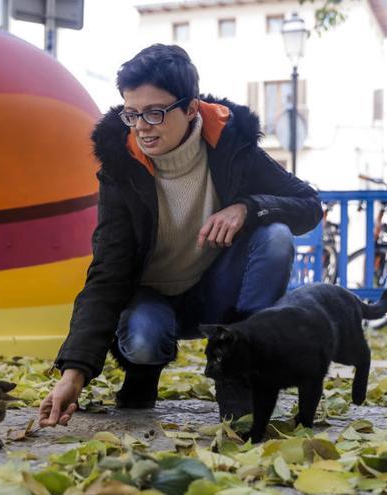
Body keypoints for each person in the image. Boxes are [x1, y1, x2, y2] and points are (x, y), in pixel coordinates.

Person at [38, 44, 322, 428]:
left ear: (191, 109)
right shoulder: (121, 170)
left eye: (155, 113)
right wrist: (74, 373)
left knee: (274, 237)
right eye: (132, 113)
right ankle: (143, 371)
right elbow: (107, 274)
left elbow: (307, 204)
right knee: (142, 338)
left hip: (215, 291)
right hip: (151, 300)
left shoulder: (231, 145)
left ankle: (239, 370)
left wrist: (248, 208)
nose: (141, 126)